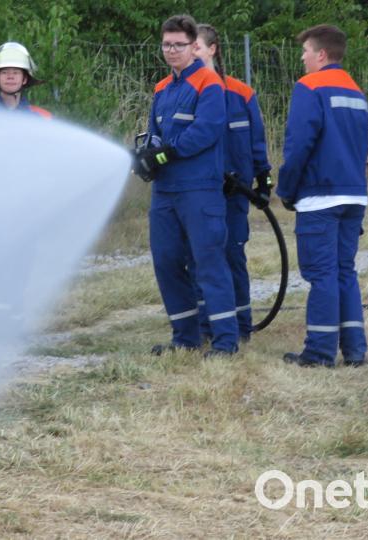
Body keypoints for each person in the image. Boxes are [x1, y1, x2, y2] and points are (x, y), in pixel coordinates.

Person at [133, 14, 239, 356]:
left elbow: (207, 131)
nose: (171, 51)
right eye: (166, 44)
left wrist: (166, 153)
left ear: (194, 46)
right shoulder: (162, 88)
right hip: (165, 192)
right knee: (165, 261)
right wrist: (146, 154)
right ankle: (186, 339)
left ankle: (225, 342)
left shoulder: (210, 83)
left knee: (208, 263)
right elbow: (154, 132)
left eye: (178, 45)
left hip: (198, 190)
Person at [276, 24, 368, 368]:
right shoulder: (356, 91)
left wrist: (286, 188)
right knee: (344, 270)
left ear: (321, 54)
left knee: (322, 274)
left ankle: (318, 353)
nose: (302, 58)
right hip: (354, 195)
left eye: (305, 52)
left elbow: (299, 144)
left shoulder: (309, 87)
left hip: (320, 196)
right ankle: (355, 349)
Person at [188, 23, 273, 343]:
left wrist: (263, 181)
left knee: (233, 256)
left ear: (212, 50)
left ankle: (240, 325)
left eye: (196, 46)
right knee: (199, 257)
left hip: (235, 192)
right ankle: (207, 325)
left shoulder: (242, 93)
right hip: (198, 192)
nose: (191, 52)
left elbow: (256, 142)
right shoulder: (186, 92)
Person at [0, 42, 51, 337]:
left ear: (25, 79)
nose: (9, 77)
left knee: (22, 263)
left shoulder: (43, 119)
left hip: (29, 205)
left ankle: (15, 323)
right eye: (4, 72)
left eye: (15, 72)